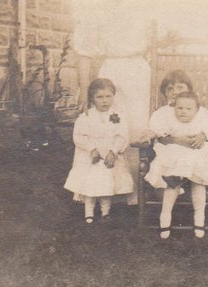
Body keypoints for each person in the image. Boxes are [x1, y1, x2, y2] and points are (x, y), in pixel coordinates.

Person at [72, 0, 151, 204]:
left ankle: (132, 190)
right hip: (112, 72)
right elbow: (84, 53)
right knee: (104, 126)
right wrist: (84, 93)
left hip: (139, 73)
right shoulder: (94, 8)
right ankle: (98, 188)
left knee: (135, 128)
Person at [143, 89, 208, 239]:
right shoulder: (171, 121)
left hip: (197, 157)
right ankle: (165, 217)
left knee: (199, 182)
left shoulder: (201, 121)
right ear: (174, 108)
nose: (183, 112)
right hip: (176, 157)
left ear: (196, 110)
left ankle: (199, 219)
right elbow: (159, 133)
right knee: (172, 181)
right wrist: (151, 135)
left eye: (188, 109)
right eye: (179, 108)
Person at [64, 78, 133, 223]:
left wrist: (113, 151)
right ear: (92, 98)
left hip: (109, 156)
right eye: (99, 97)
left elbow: (122, 137)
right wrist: (91, 149)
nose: (104, 101)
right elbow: (79, 136)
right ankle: (88, 212)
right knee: (90, 183)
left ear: (114, 96)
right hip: (91, 158)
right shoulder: (86, 117)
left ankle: (105, 212)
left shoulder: (118, 116)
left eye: (108, 96)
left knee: (106, 183)